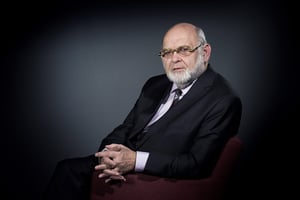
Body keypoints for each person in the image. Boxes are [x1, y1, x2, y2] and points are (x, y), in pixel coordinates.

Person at [43, 22, 242, 200]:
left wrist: (135, 160)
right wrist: (107, 154)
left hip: (155, 171)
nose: (174, 59)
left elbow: (196, 163)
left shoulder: (223, 99)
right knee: (67, 170)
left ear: (205, 52)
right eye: (167, 52)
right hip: (122, 159)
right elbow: (127, 127)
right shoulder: (155, 84)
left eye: (184, 49)